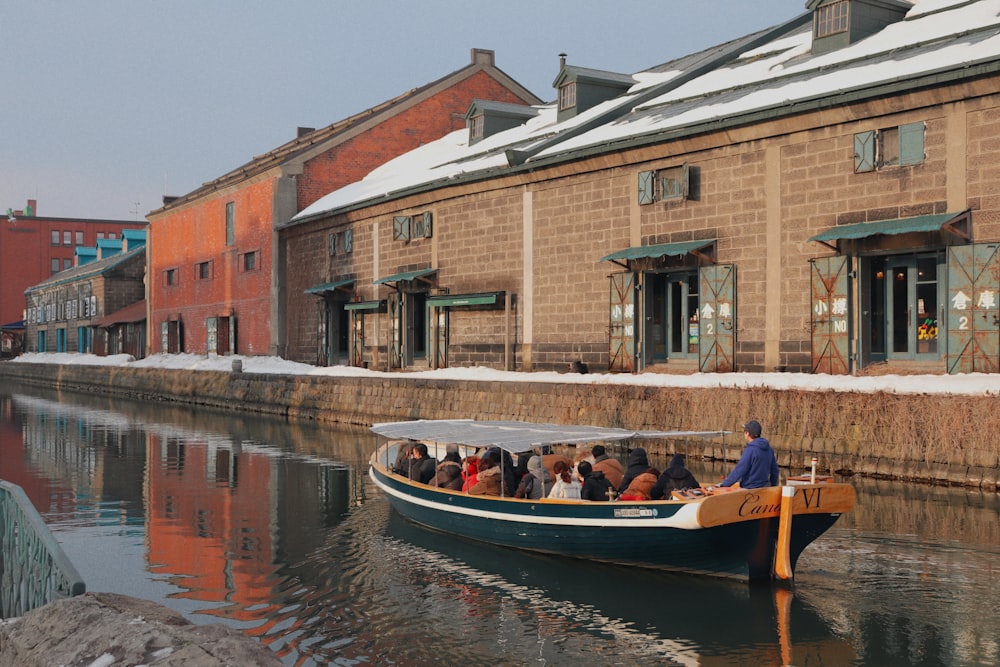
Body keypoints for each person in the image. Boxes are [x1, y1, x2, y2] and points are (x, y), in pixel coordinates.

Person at [718, 420, 780, 490]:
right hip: (764, 487)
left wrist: (724, 485)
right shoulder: (769, 449)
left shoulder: (750, 450)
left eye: (745, 432)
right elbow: (774, 470)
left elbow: (739, 470)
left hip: (749, 489)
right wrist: (773, 486)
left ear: (747, 433)